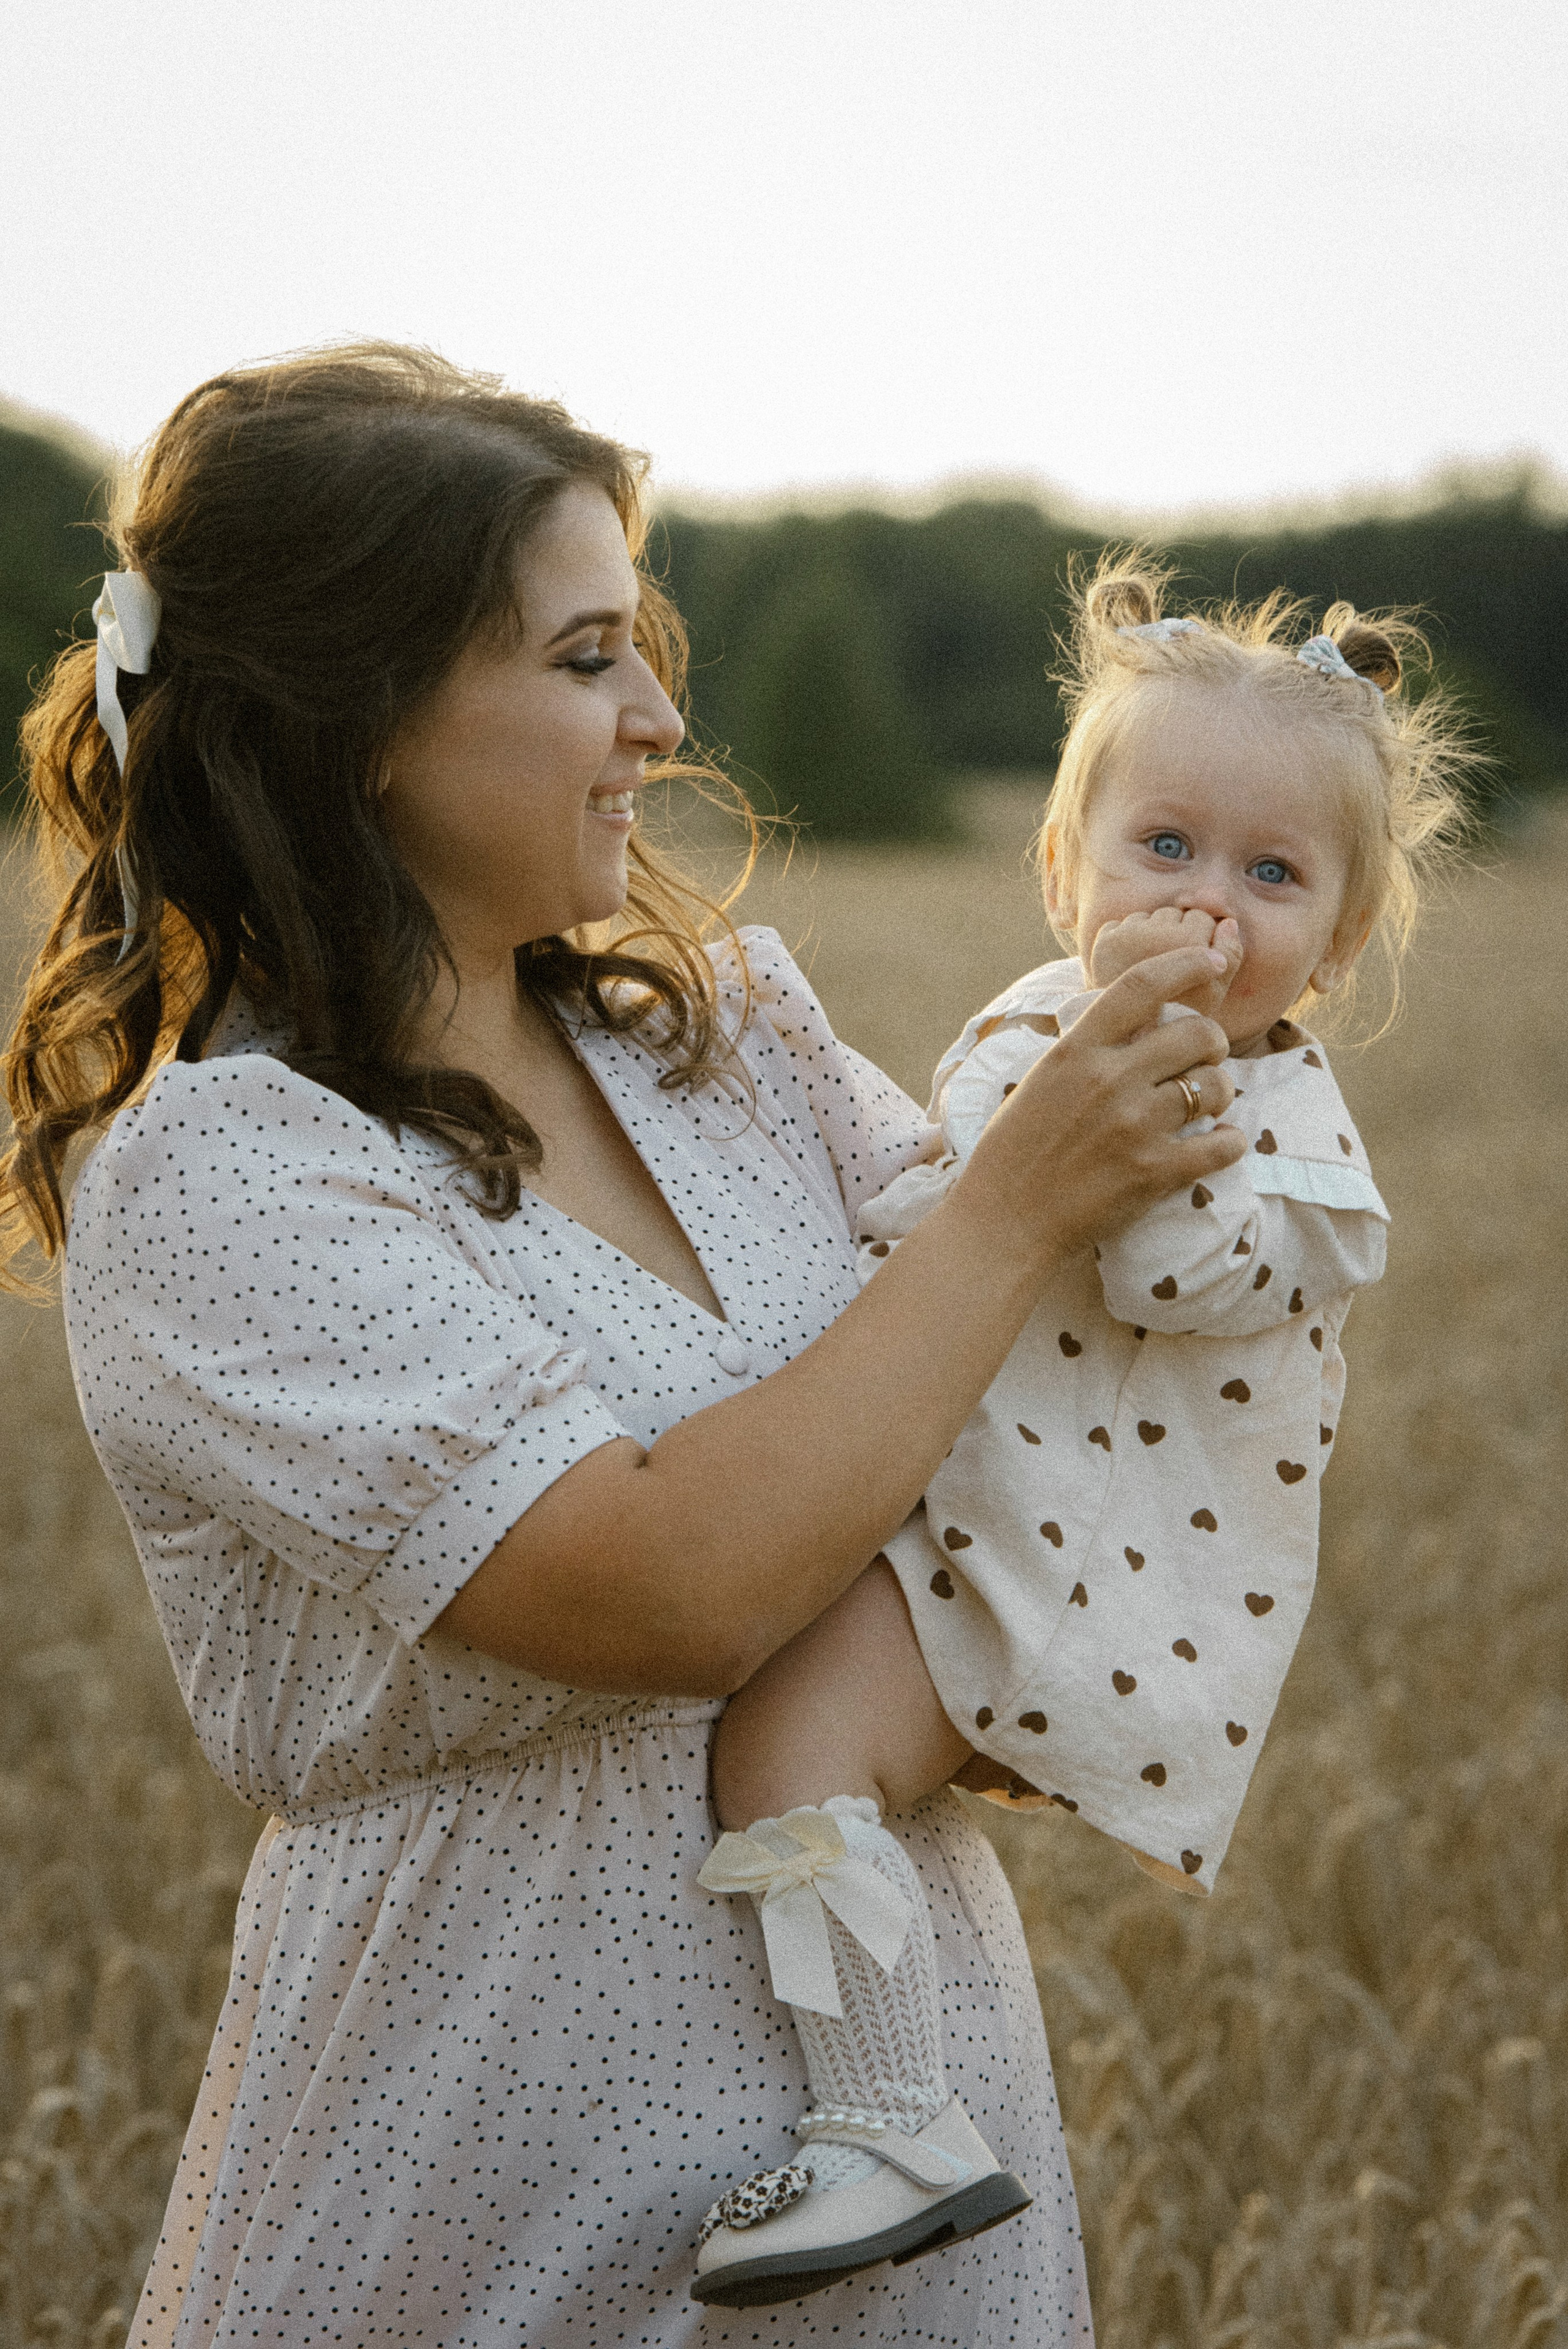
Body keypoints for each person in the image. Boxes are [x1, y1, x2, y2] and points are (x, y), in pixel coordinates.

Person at [1, 345, 1248, 2343]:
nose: (661, 718)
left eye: (643, 650)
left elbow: (1023, 1435)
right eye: (588, 659)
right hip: (499, 2144)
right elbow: (673, 1585)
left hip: (928, 2138)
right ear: (362, 719)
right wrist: (1021, 1203)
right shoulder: (224, 1179)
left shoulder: (728, 1039)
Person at [695, 562, 1471, 2302]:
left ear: (1341, 943)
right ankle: (873, 2100)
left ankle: (887, 2114)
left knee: (788, 1741)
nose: (1209, 902)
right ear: (1065, 872)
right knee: (774, 1721)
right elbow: (952, 1196)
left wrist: (1146, 1065)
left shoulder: (1300, 1141)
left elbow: (1170, 1268)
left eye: (1273, 875)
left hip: (1075, 1564)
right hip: (958, 1491)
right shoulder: (1034, 1020)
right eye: (1166, 847)